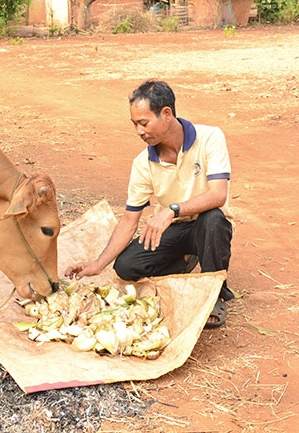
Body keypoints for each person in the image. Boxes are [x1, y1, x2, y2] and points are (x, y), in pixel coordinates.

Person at [64, 79, 234, 328]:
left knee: (214, 220)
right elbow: (130, 220)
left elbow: (218, 194)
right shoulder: (142, 163)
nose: (139, 131)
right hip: (174, 229)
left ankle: (214, 292)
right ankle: (185, 259)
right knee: (126, 266)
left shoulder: (210, 137)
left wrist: (172, 210)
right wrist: (99, 264)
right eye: (135, 124)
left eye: (144, 123)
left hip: (205, 224)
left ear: (166, 114)